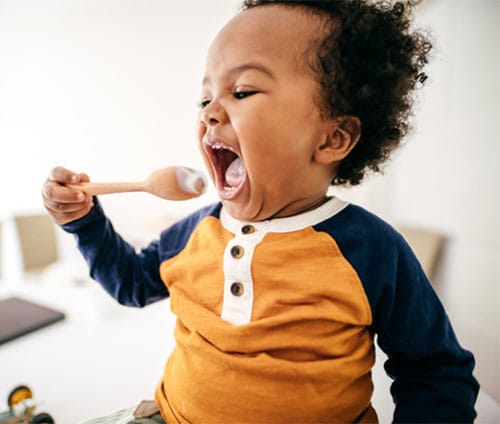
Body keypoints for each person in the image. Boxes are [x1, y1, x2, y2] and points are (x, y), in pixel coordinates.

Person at [42, 0, 479, 423]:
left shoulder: (371, 250)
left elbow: (435, 374)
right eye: (204, 99)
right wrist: (84, 222)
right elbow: (132, 284)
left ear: (333, 139)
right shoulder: (197, 231)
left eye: (243, 91)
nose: (210, 113)